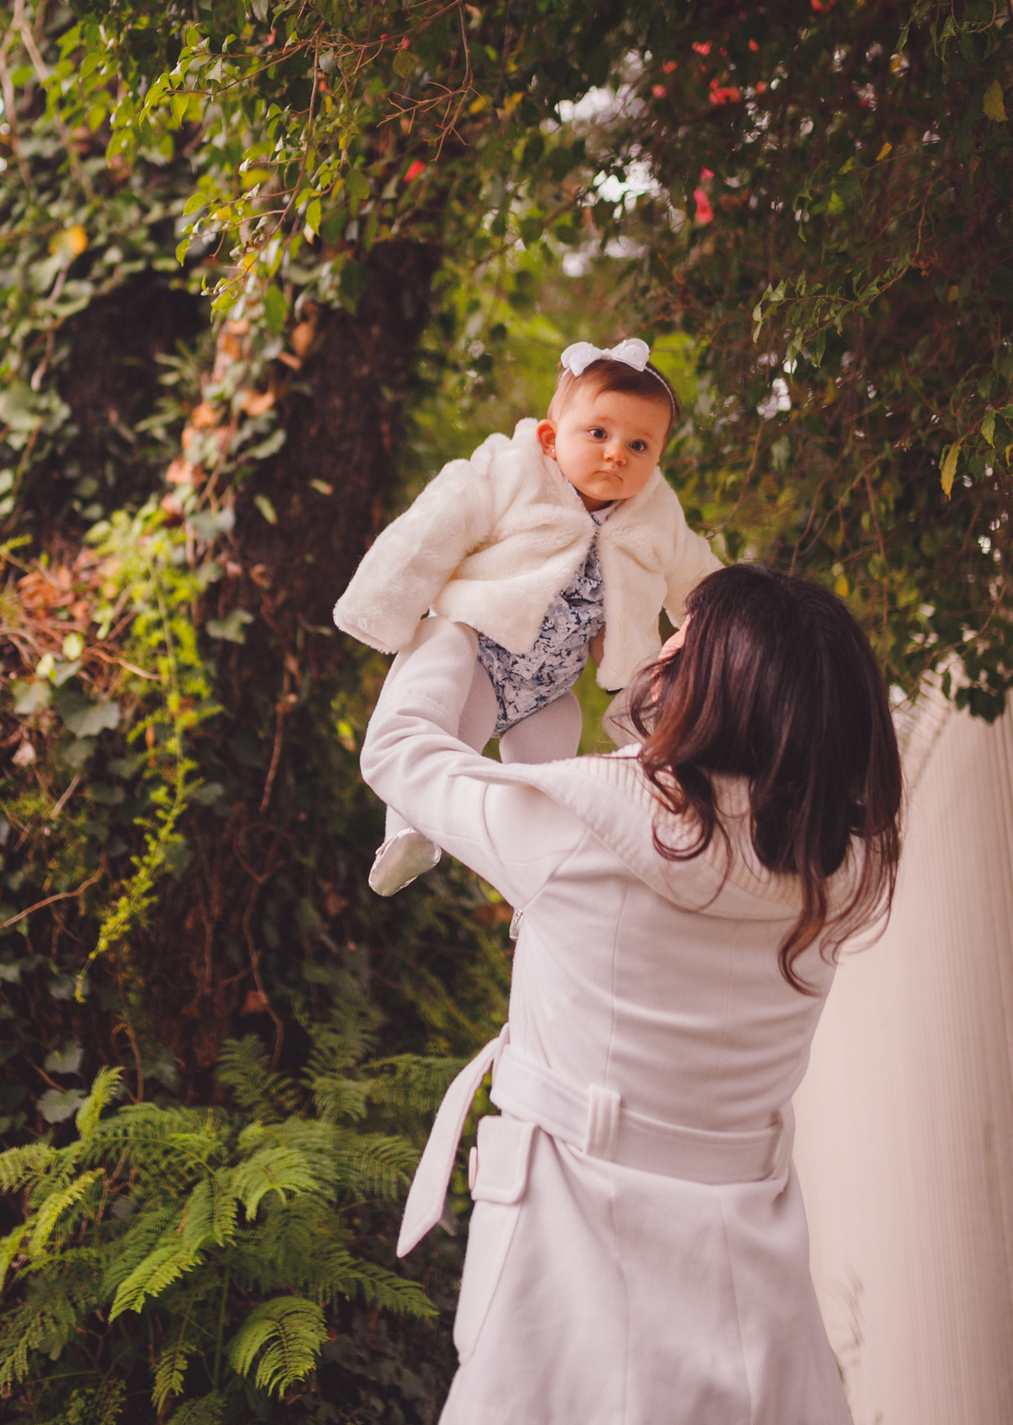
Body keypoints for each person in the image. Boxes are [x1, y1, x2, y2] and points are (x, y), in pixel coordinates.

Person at [359, 563, 901, 1424]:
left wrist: (461, 611)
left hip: (574, 1236)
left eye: (680, 641)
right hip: (751, 1269)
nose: (658, 651)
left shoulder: (589, 822)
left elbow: (401, 752)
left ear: (713, 684)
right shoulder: (834, 869)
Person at [335, 338, 720, 896]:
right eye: (598, 434)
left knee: (550, 785)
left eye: (639, 445)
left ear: (657, 459)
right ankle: (409, 833)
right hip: (479, 653)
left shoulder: (657, 517)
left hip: (551, 688)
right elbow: (434, 526)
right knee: (448, 739)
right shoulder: (511, 474)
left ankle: (534, 892)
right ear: (549, 437)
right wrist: (382, 606)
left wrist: (732, 623)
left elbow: (700, 580)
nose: (617, 454)